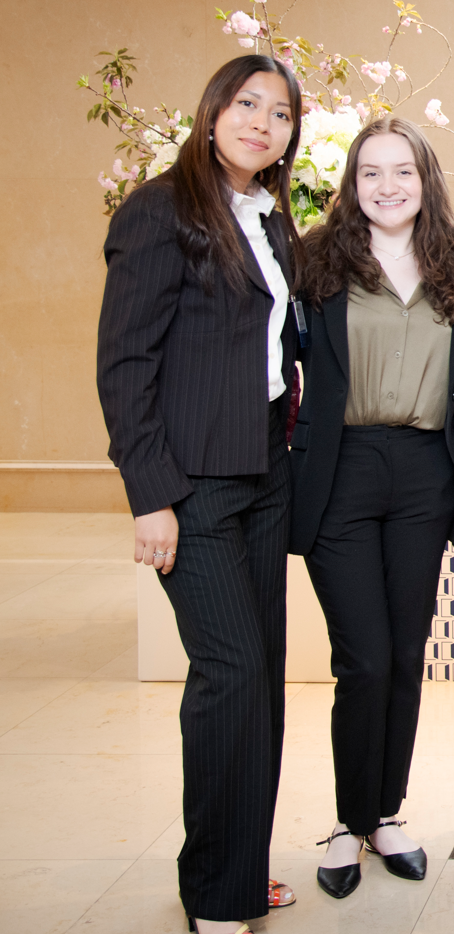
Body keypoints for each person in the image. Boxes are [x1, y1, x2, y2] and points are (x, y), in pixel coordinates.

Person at [96, 54, 304, 934]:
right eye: (247, 103)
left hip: (264, 473)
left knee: (264, 687)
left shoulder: (269, 216)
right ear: (213, 107)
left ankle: (237, 870)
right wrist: (150, 495)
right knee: (231, 675)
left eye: (281, 113)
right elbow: (124, 363)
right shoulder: (159, 210)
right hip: (194, 486)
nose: (262, 122)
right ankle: (215, 899)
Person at [289, 117, 454, 898]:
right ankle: (345, 818)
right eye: (371, 173)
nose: (388, 186)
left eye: (403, 171)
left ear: (425, 178)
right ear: (352, 183)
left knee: (405, 654)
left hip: (426, 470)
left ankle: (386, 813)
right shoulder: (314, 259)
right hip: (343, 467)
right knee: (361, 657)